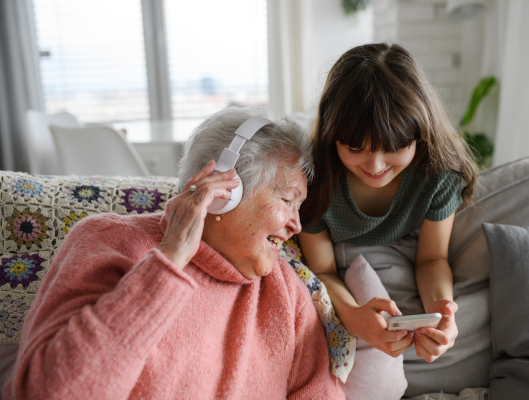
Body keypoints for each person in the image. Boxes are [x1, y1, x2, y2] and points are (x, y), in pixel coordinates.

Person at [3, 106, 345, 400]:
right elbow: (51, 392)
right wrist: (168, 262)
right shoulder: (106, 241)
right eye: (287, 201)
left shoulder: (286, 292)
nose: (296, 225)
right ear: (226, 190)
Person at [298, 43, 478, 367]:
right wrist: (354, 318)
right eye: (355, 147)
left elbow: (433, 259)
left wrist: (441, 312)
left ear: (419, 133)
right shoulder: (314, 179)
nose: (375, 165)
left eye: (393, 146)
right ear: (331, 135)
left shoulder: (438, 175)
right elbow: (321, 270)